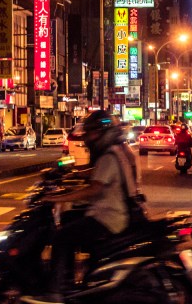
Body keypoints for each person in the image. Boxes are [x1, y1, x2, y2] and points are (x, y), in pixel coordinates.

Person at [24, 110, 141, 304]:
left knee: (62, 236)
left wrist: (58, 198)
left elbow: (93, 189)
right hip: (110, 213)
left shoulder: (109, 157)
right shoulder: (115, 153)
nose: (87, 138)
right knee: (70, 220)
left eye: (91, 133)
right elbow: (94, 173)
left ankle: (57, 289)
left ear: (103, 134)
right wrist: (70, 173)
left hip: (109, 217)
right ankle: (70, 278)